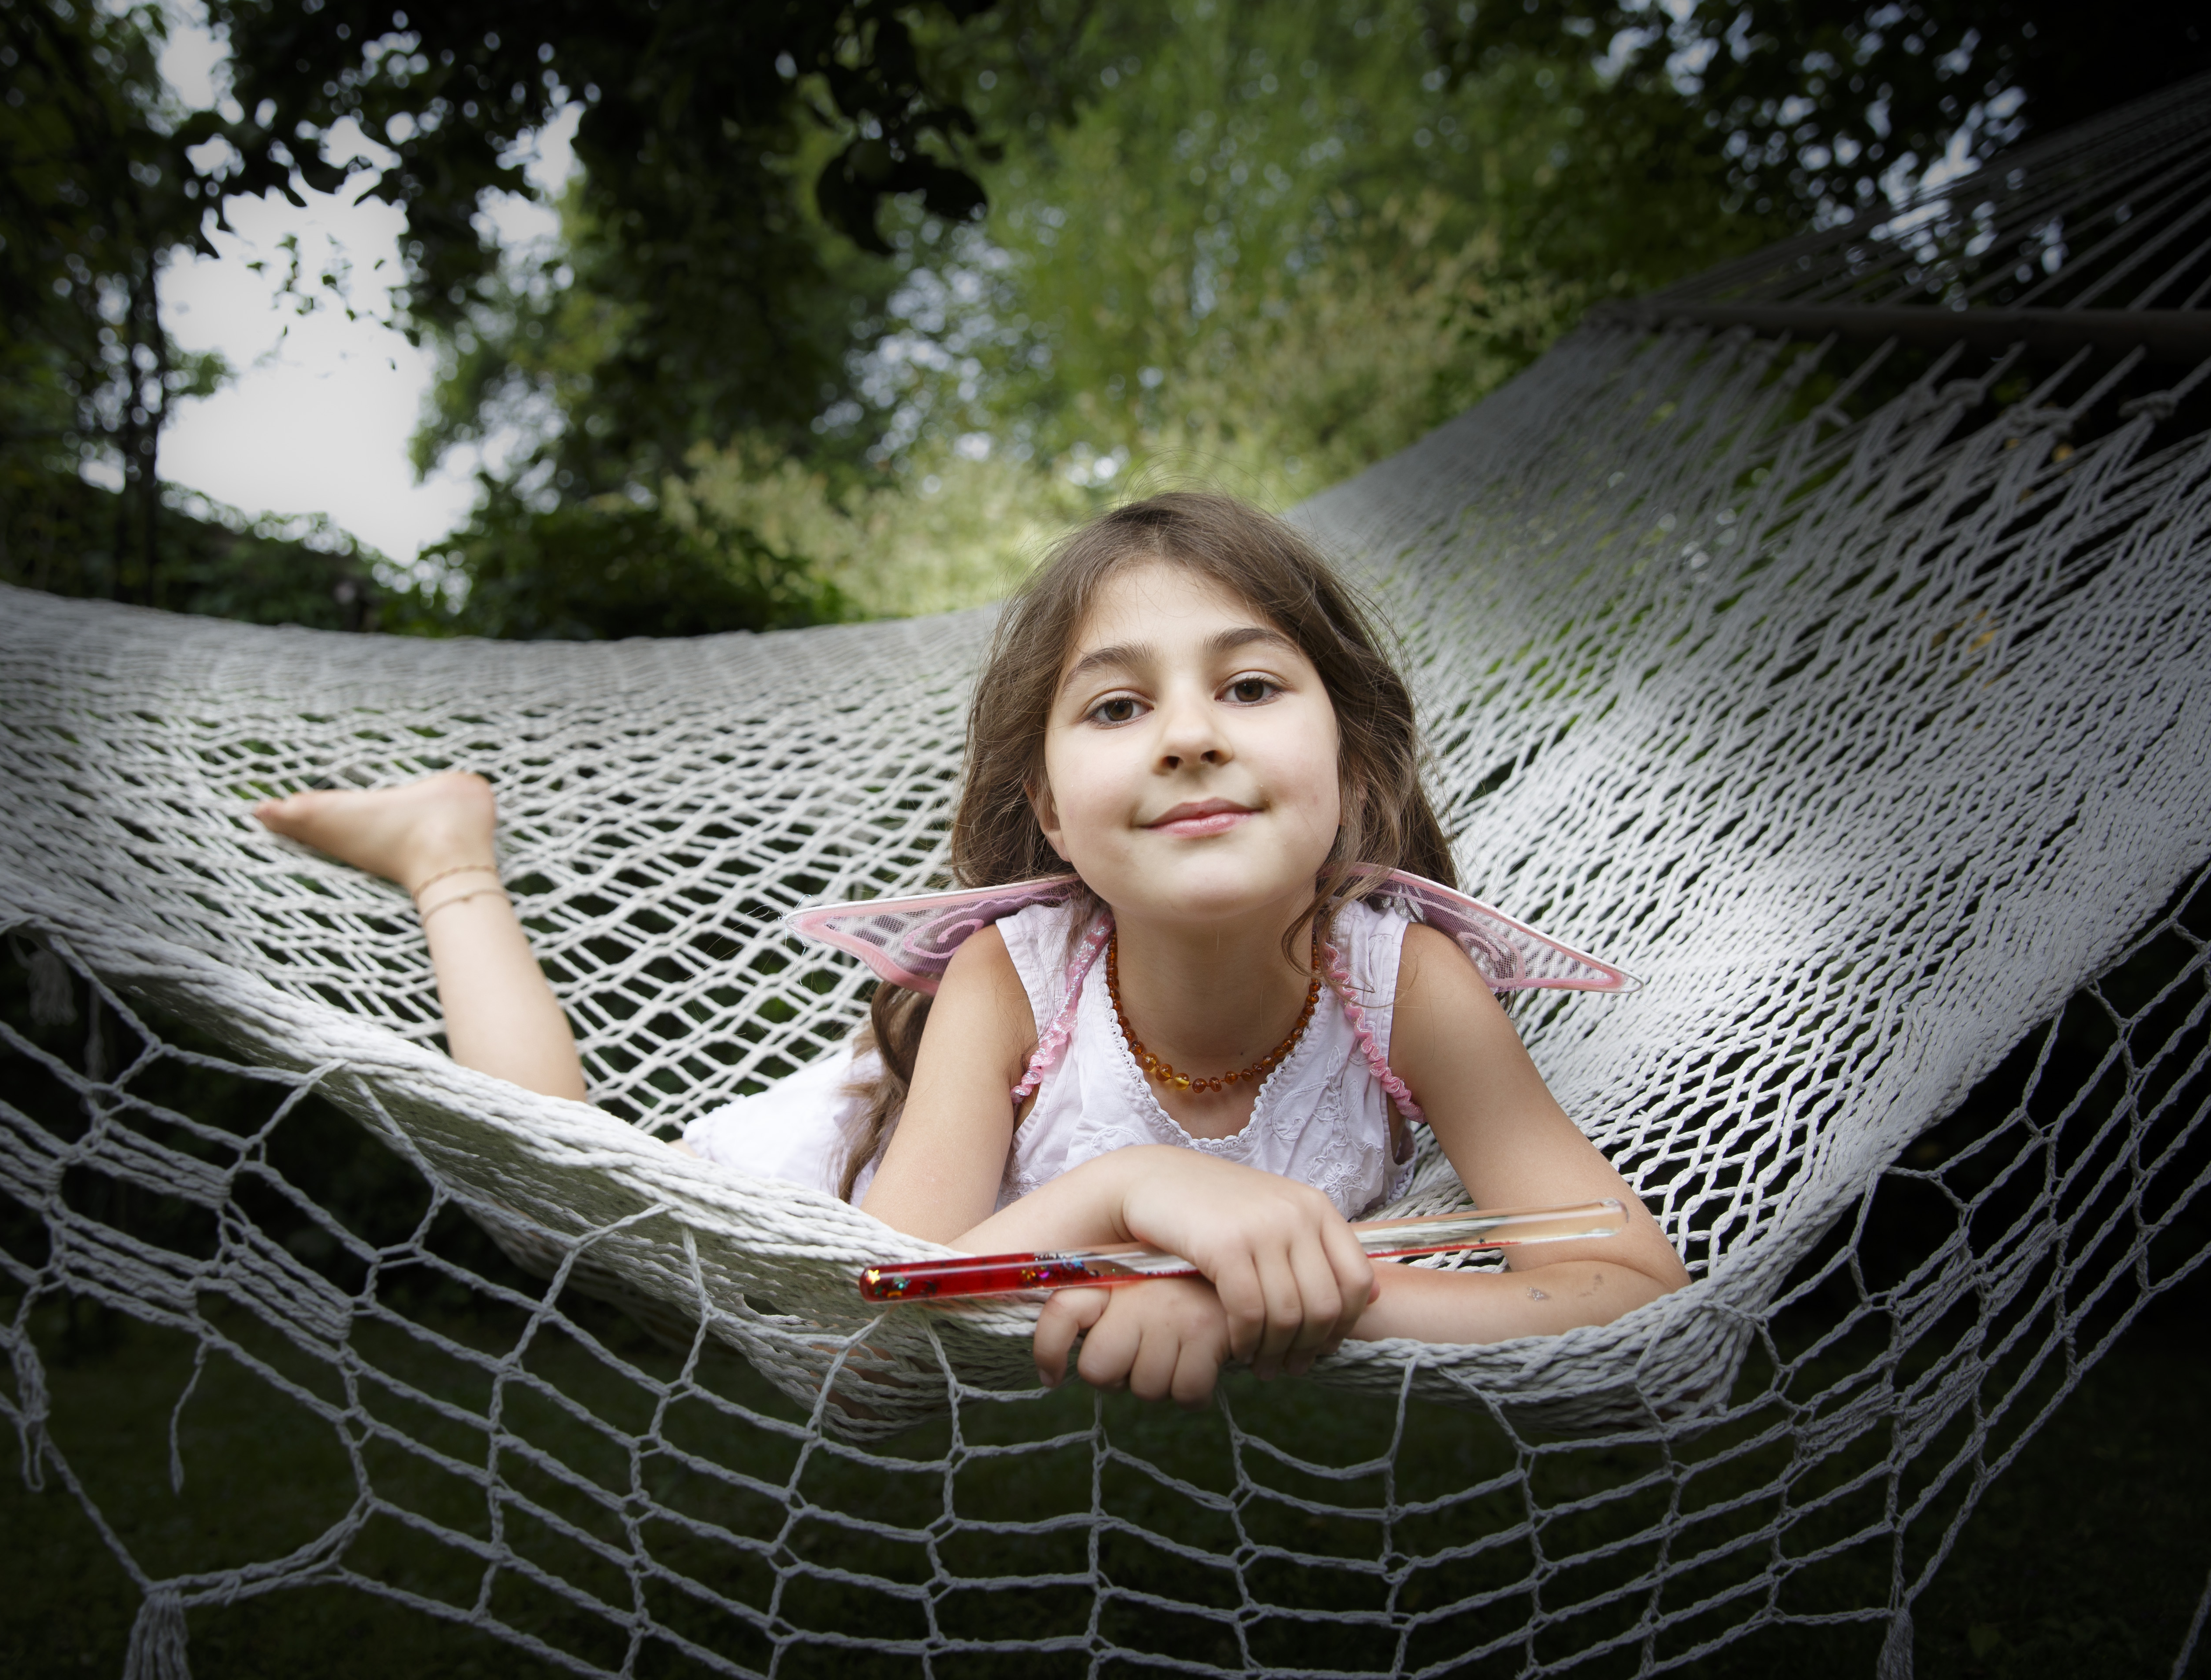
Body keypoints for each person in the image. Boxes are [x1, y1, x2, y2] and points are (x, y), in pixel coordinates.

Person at [255, 491, 1687, 1408]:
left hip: (1055, 1266)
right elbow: (877, 1327)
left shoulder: (1406, 982)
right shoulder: (1019, 972)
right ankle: (451, 860)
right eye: (1116, 709)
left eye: (1249, 686)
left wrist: (1288, 1293)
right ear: (1055, 816)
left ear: (1351, 765)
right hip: (867, 1194)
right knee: (552, 1183)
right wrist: (1135, 1192)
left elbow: (1631, 1286)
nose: (1189, 733)